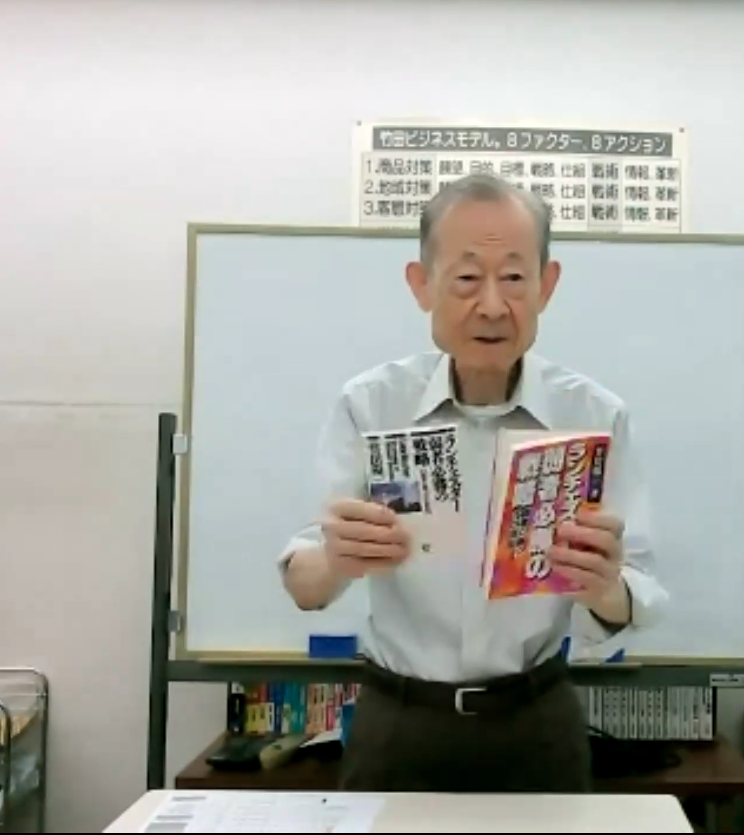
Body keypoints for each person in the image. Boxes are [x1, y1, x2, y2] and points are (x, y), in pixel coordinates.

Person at [277, 172, 669, 793]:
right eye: (465, 279)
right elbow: (304, 583)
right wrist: (335, 559)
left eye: (513, 278)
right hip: (398, 721)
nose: (491, 305)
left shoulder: (593, 416)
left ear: (546, 285)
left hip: (536, 721)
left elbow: (638, 592)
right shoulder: (371, 406)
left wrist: (603, 586)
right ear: (421, 284)